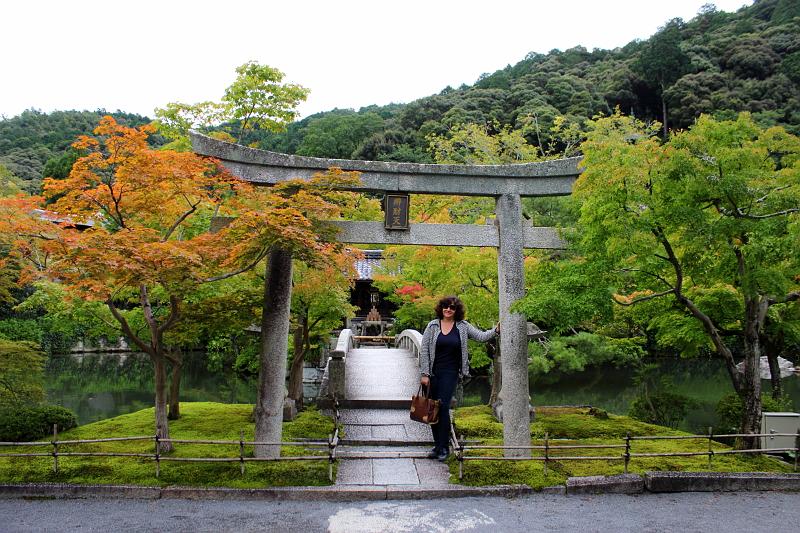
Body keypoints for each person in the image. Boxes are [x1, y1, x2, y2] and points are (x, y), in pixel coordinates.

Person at [419, 295, 499, 461]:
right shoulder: (433, 325)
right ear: (441, 308)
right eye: (446, 306)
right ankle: (437, 446)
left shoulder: (462, 326)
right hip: (433, 373)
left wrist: (496, 331)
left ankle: (444, 447)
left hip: (451, 373)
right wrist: (425, 374)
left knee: (443, 407)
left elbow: (480, 336)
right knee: (432, 409)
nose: (448, 310)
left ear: (457, 310)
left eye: (452, 307)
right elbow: (424, 350)